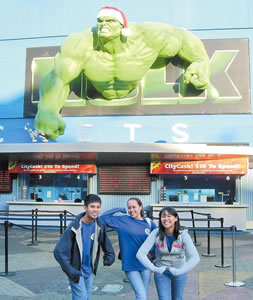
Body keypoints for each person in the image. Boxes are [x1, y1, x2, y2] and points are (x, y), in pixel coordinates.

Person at [35, 6, 211, 140]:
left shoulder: (146, 38)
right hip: (96, 94)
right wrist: (47, 109)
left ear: (122, 26)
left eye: (110, 21)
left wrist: (200, 61)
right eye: (100, 21)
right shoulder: (82, 43)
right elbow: (57, 76)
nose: (103, 24)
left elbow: (180, 37)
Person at [53, 194, 115, 300]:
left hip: (89, 270)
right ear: (85, 208)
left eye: (98, 207)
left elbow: (106, 242)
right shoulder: (74, 227)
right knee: (82, 297)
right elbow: (58, 251)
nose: (95, 210)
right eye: (92, 206)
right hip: (76, 270)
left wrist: (110, 256)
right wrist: (70, 270)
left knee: (87, 297)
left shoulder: (99, 225)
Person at [136, 206, 200, 300]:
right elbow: (140, 254)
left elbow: (195, 257)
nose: (166, 219)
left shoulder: (183, 234)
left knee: (177, 298)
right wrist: (154, 268)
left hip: (179, 271)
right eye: (163, 216)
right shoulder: (156, 233)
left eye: (169, 216)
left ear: (176, 218)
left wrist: (180, 271)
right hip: (162, 272)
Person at [100, 197, 157, 300]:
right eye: (129, 207)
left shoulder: (149, 222)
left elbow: (159, 238)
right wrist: (120, 209)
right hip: (130, 265)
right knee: (141, 296)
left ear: (140, 207)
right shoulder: (122, 220)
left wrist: (152, 253)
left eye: (134, 207)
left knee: (143, 295)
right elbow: (102, 218)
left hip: (146, 264)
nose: (131, 210)